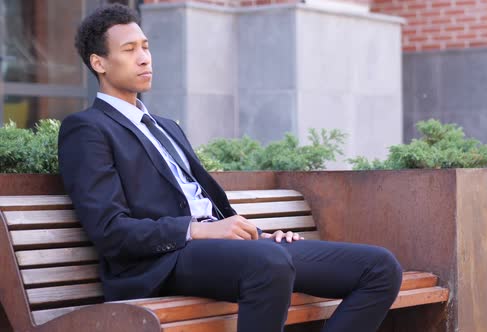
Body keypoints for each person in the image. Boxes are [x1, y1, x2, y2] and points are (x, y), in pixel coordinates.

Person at [59, 4, 403, 332]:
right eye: (129, 49)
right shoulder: (87, 128)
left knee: (380, 268)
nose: (144, 57)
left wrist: (258, 236)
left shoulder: (165, 126)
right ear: (99, 63)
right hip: (161, 263)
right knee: (268, 263)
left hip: (223, 250)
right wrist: (194, 231)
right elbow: (110, 231)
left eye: (146, 46)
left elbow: (204, 204)